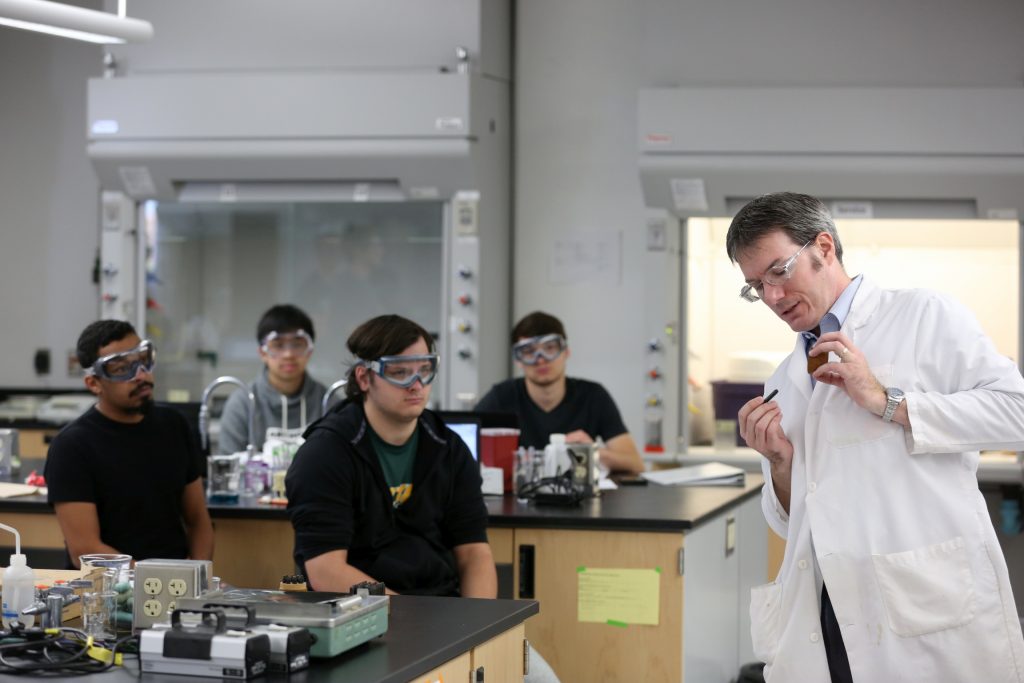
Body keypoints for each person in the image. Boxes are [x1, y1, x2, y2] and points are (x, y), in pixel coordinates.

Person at [730, 192, 1024, 682]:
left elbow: (1016, 413)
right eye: (756, 286)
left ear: (823, 246)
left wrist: (888, 401)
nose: (773, 297)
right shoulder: (784, 377)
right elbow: (791, 522)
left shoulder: (923, 316)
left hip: (921, 608)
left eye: (779, 272)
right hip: (826, 613)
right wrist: (781, 465)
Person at [285, 314, 496, 597]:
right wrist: (408, 620)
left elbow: (474, 553)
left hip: (440, 607)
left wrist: (477, 627)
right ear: (364, 378)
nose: (416, 384)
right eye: (399, 372)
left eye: (425, 369)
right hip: (352, 616)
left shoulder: (449, 448)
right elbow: (326, 570)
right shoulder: (325, 453)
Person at [45, 320, 214, 567]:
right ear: (94, 383)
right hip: (108, 593)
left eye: (142, 360)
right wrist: (158, 582)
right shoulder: (72, 447)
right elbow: (85, 549)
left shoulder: (174, 426)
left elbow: (199, 520)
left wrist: (198, 574)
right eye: (121, 368)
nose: (140, 375)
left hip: (177, 582)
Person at [475, 311, 644, 474]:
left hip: (578, 500)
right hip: (519, 497)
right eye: (528, 351)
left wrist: (591, 452)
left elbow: (635, 463)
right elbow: (462, 449)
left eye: (549, 348)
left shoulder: (593, 396)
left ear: (566, 352)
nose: (540, 359)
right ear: (518, 360)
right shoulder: (501, 397)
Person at [219, 304, 328, 454]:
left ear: (309, 350)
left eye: (297, 344)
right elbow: (229, 468)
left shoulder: (328, 402)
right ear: (262, 353)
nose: (288, 354)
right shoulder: (242, 404)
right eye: (278, 345)